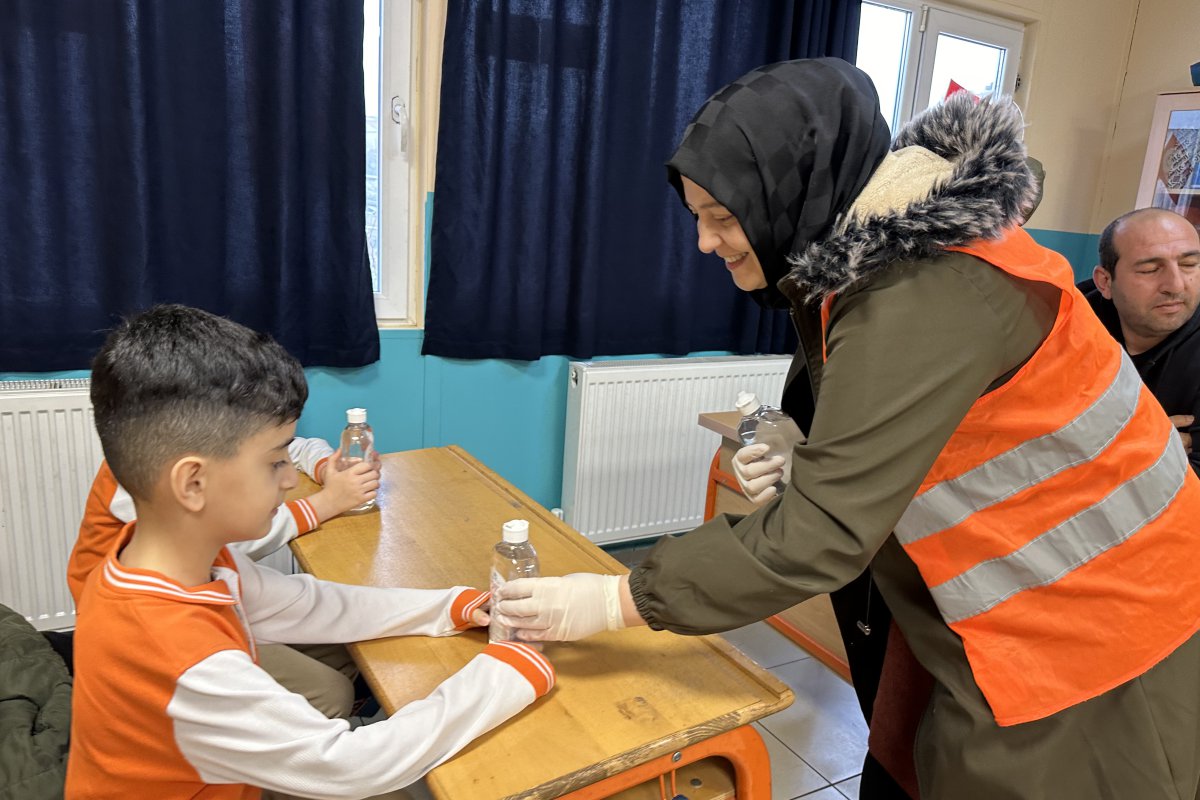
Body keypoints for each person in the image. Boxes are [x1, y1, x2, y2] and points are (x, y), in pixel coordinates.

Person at [494, 59, 1200, 799]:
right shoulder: (891, 264)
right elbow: (965, 441)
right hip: (1030, 601)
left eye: (723, 217)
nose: (705, 242)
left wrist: (618, 599)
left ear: (791, 192)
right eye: (698, 216)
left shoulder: (922, 288)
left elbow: (821, 536)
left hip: (1101, 623)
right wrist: (813, 458)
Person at [66, 304, 554, 800]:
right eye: (275, 461)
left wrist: (451, 606)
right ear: (193, 483)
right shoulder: (177, 657)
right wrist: (510, 670)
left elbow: (309, 603)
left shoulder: (186, 561)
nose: (288, 479)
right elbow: (349, 766)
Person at [68, 434, 381, 719]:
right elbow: (224, 538)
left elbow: (293, 446)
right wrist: (326, 503)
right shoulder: (145, 471)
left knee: (349, 643)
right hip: (153, 623)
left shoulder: (206, 428)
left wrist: (327, 468)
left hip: (204, 600)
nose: (286, 480)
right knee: (330, 691)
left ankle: (293, 724)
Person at [1083, 207, 1200, 473]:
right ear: (1105, 282)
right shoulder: (1067, 325)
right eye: (1149, 269)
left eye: (1189, 265)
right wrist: (1138, 444)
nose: (1175, 285)